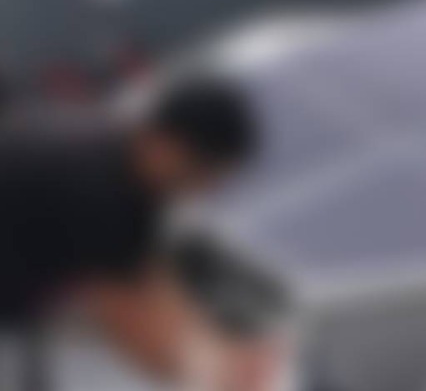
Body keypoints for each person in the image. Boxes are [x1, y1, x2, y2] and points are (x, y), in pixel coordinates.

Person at [0, 77, 268, 385]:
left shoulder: (119, 155)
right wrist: (213, 375)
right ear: (166, 142)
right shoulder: (95, 188)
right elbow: (126, 316)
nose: (205, 188)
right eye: (203, 171)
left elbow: (148, 275)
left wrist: (217, 342)